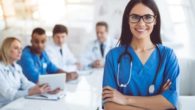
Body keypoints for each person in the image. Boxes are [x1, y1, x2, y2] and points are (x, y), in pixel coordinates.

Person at [102, 0, 180, 110]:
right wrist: (156, 103)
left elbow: (170, 102)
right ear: (127, 20)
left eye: (148, 17)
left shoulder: (167, 56)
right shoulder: (113, 57)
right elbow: (109, 106)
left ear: (155, 20)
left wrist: (125, 99)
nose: (141, 23)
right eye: (135, 17)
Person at [0, 37, 53, 107]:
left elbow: (25, 83)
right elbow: (9, 93)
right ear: (6, 50)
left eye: (20, 49)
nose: (20, 51)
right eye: (16, 48)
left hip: (16, 104)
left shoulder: (17, 67)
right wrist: (30, 92)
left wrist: (42, 88)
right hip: (4, 106)